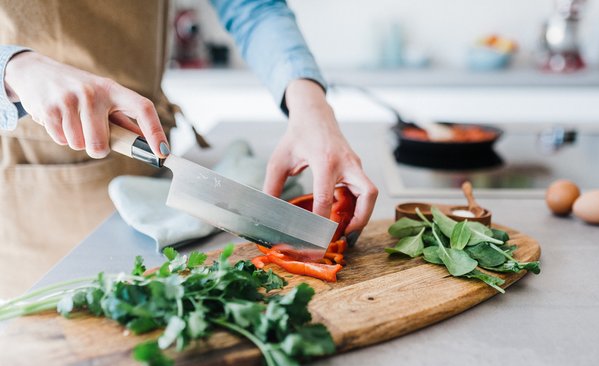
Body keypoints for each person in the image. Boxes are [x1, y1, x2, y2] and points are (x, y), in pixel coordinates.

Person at [0, 0, 378, 298]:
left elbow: (251, 5)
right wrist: (16, 68)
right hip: (32, 197)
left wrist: (311, 105)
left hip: (145, 166)